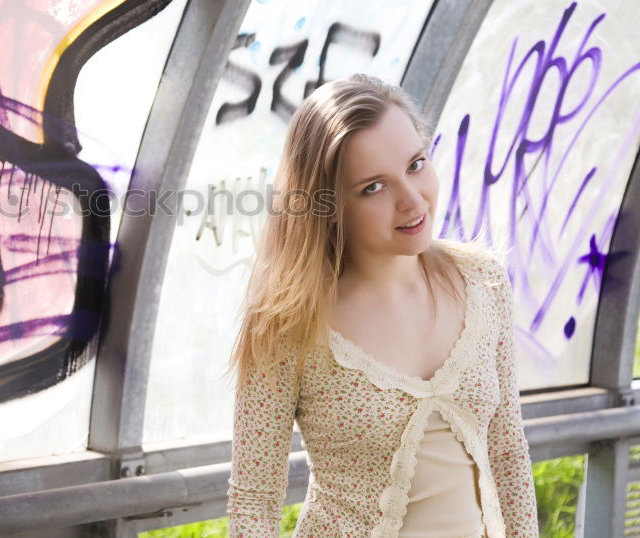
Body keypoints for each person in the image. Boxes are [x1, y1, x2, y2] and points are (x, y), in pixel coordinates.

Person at [224, 74, 538, 537]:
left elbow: (507, 450)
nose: (412, 201)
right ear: (327, 204)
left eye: (416, 164)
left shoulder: (483, 281)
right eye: (374, 187)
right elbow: (255, 502)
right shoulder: (287, 323)